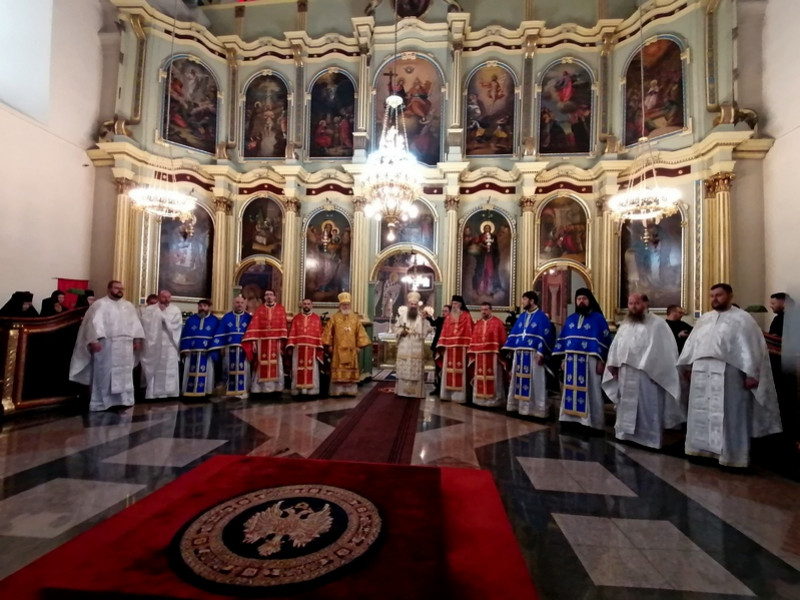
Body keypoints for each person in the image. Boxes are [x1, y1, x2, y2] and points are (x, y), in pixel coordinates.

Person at [677, 284, 782, 468]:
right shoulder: (705, 319)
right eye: (711, 295)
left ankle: (732, 456)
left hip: (730, 374)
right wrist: (688, 367)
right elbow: (692, 345)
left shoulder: (743, 319)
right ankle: (701, 450)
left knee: (730, 414)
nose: (714, 299)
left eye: (719, 295)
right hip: (702, 374)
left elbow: (753, 348)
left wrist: (753, 374)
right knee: (701, 413)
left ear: (730, 296)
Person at [602, 293, 684, 449]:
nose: (633, 306)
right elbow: (617, 346)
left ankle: (649, 439)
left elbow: (665, 351)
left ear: (646, 304)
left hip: (647, 374)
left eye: (637, 303)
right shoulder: (626, 324)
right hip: (626, 373)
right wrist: (613, 364)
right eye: (631, 303)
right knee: (626, 404)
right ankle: (625, 434)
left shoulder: (658, 324)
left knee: (647, 406)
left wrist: (657, 371)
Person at [69, 280, 144, 412]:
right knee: (104, 373)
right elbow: (91, 324)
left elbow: (135, 324)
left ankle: (124, 400)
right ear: (109, 289)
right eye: (116, 288)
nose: (119, 290)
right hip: (106, 344)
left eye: (121, 288)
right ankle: (102, 402)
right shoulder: (99, 304)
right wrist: (93, 340)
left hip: (125, 346)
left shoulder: (129, 306)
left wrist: (137, 340)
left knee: (124, 373)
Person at [554, 288, 612, 430]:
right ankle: (569, 419)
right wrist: (562, 360)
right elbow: (564, 340)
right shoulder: (571, 319)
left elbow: (605, 341)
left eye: (584, 299)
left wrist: (602, 361)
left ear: (590, 300)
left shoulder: (598, 319)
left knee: (592, 391)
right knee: (569, 391)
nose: (581, 301)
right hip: (570, 361)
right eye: (578, 299)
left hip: (591, 362)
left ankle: (592, 423)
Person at [504, 291, 556, 418]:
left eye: (524, 299)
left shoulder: (541, 317)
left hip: (533, 355)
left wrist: (541, 353)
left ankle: (536, 410)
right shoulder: (522, 316)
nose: (522, 302)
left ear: (532, 301)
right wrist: (511, 349)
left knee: (535, 382)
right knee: (518, 381)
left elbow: (546, 336)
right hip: (519, 354)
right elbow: (514, 333)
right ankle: (519, 407)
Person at [321, 292, 370, 396]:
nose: (346, 306)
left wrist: (359, 346)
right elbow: (328, 332)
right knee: (338, 370)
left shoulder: (355, 318)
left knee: (350, 370)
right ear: (340, 305)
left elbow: (360, 333)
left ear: (350, 305)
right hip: (337, 350)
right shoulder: (334, 318)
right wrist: (329, 345)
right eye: (344, 304)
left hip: (352, 349)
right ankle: (338, 391)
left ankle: (350, 391)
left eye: (347, 304)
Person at [242, 290, 288, 395]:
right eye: (266, 295)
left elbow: (283, 326)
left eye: (271, 295)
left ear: (275, 297)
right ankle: (259, 389)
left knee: (277, 365)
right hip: (261, 342)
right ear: (264, 297)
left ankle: (276, 389)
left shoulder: (280, 309)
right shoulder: (260, 309)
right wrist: (253, 342)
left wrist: (282, 344)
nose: (269, 297)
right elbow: (254, 326)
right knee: (260, 365)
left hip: (275, 342)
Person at [139, 289, 183, 399]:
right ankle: (153, 394)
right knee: (156, 367)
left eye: (169, 297)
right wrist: (160, 315)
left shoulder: (175, 310)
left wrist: (163, 317)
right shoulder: (150, 309)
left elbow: (176, 326)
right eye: (164, 297)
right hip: (155, 343)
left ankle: (171, 392)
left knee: (169, 367)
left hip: (170, 342)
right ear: (159, 297)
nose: (166, 299)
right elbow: (146, 325)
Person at [209, 295, 252, 398]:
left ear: (245, 304)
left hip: (243, 348)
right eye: (237, 302)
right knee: (228, 369)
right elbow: (221, 332)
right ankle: (229, 390)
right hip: (229, 348)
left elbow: (252, 334)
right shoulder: (227, 317)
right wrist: (222, 347)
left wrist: (251, 347)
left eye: (241, 303)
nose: (239, 305)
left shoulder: (249, 318)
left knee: (244, 370)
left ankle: (243, 390)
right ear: (233, 303)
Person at [467, 303, 507, 407]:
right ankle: (479, 401)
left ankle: (494, 401)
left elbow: (502, 340)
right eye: (482, 310)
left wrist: (502, 353)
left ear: (490, 310)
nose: (483, 312)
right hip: (480, 357)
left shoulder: (498, 323)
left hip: (493, 357)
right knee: (479, 377)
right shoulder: (478, 324)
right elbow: (473, 339)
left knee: (494, 378)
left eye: (486, 309)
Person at [394, 292, 432, 399]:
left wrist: (424, 320)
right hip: (404, 345)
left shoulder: (421, 316)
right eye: (411, 304)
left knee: (415, 368)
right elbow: (396, 328)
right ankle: (402, 391)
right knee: (404, 367)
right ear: (408, 304)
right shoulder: (402, 316)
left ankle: (415, 392)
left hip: (416, 346)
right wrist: (402, 332)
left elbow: (428, 329)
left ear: (418, 305)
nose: (413, 306)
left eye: (415, 304)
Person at [437, 295, 474, 403]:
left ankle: (459, 396)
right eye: (453, 304)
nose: (454, 306)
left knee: (460, 371)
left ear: (461, 304)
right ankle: (447, 394)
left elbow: (470, 331)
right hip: (449, 349)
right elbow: (444, 331)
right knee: (447, 372)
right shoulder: (448, 317)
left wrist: (468, 346)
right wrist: (442, 345)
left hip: (461, 348)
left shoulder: (466, 316)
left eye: (456, 304)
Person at [179, 299, 219, 398]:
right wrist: (185, 348)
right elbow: (186, 334)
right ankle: (189, 391)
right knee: (190, 370)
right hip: (192, 351)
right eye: (200, 306)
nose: (202, 308)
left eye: (205, 306)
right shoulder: (191, 320)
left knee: (207, 372)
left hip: (207, 351)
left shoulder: (215, 321)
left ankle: (206, 391)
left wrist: (214, 349)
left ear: (209, 307)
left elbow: (217, 336)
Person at [286, 298, 324, 397]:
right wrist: (291, 345)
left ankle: (312, 391)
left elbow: (319, 333)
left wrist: (319, 346)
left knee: (312, 369)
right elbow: (292, 332)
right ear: (302, 305)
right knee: (297, 369)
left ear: (312, 305)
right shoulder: (296, 318)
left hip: (312, 348)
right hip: (298, 349)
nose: (306, 306)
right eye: (304, 304)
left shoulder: (316, 318)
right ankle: (298, 391)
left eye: (308, 304)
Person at [427, 304, 449, 393]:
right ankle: (437, 387)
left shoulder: (452, 321)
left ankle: (445, 388)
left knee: (445, 369)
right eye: (443, 311)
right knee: (437, 368)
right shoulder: (440, 319)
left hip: (446, 348)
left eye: (446, 311)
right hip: (437, 346)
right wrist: (428, 317)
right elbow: (432, 323)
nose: (443, 313)